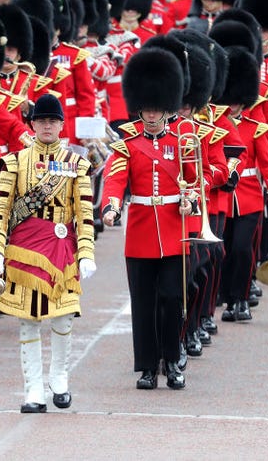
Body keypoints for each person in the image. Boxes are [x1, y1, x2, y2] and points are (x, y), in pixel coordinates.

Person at [0, 93, 96, 413]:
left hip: (62, 249)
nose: (47, 126)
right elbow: (1, 210)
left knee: (63, 316)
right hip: (23, 250)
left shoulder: (77, 165)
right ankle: (33, 389)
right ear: (32, 124)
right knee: (29, 321)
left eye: (53, 121)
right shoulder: (15, 162)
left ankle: (59, 375)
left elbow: (84, 215)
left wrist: (86, 252)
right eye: (41, 121)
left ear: (62, 126)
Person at [101, 47, 194, 390]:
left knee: (172, 298)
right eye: (147, 108)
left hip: (173, 229)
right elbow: (115, 177)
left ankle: (173, 358)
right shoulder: (127, 141)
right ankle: (147, 366)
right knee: (143, 303)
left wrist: (191, 199)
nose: (152, 115)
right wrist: (110, 206)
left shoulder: (182, 140)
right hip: (140, 231)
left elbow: (194, 179)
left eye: (157, 108)